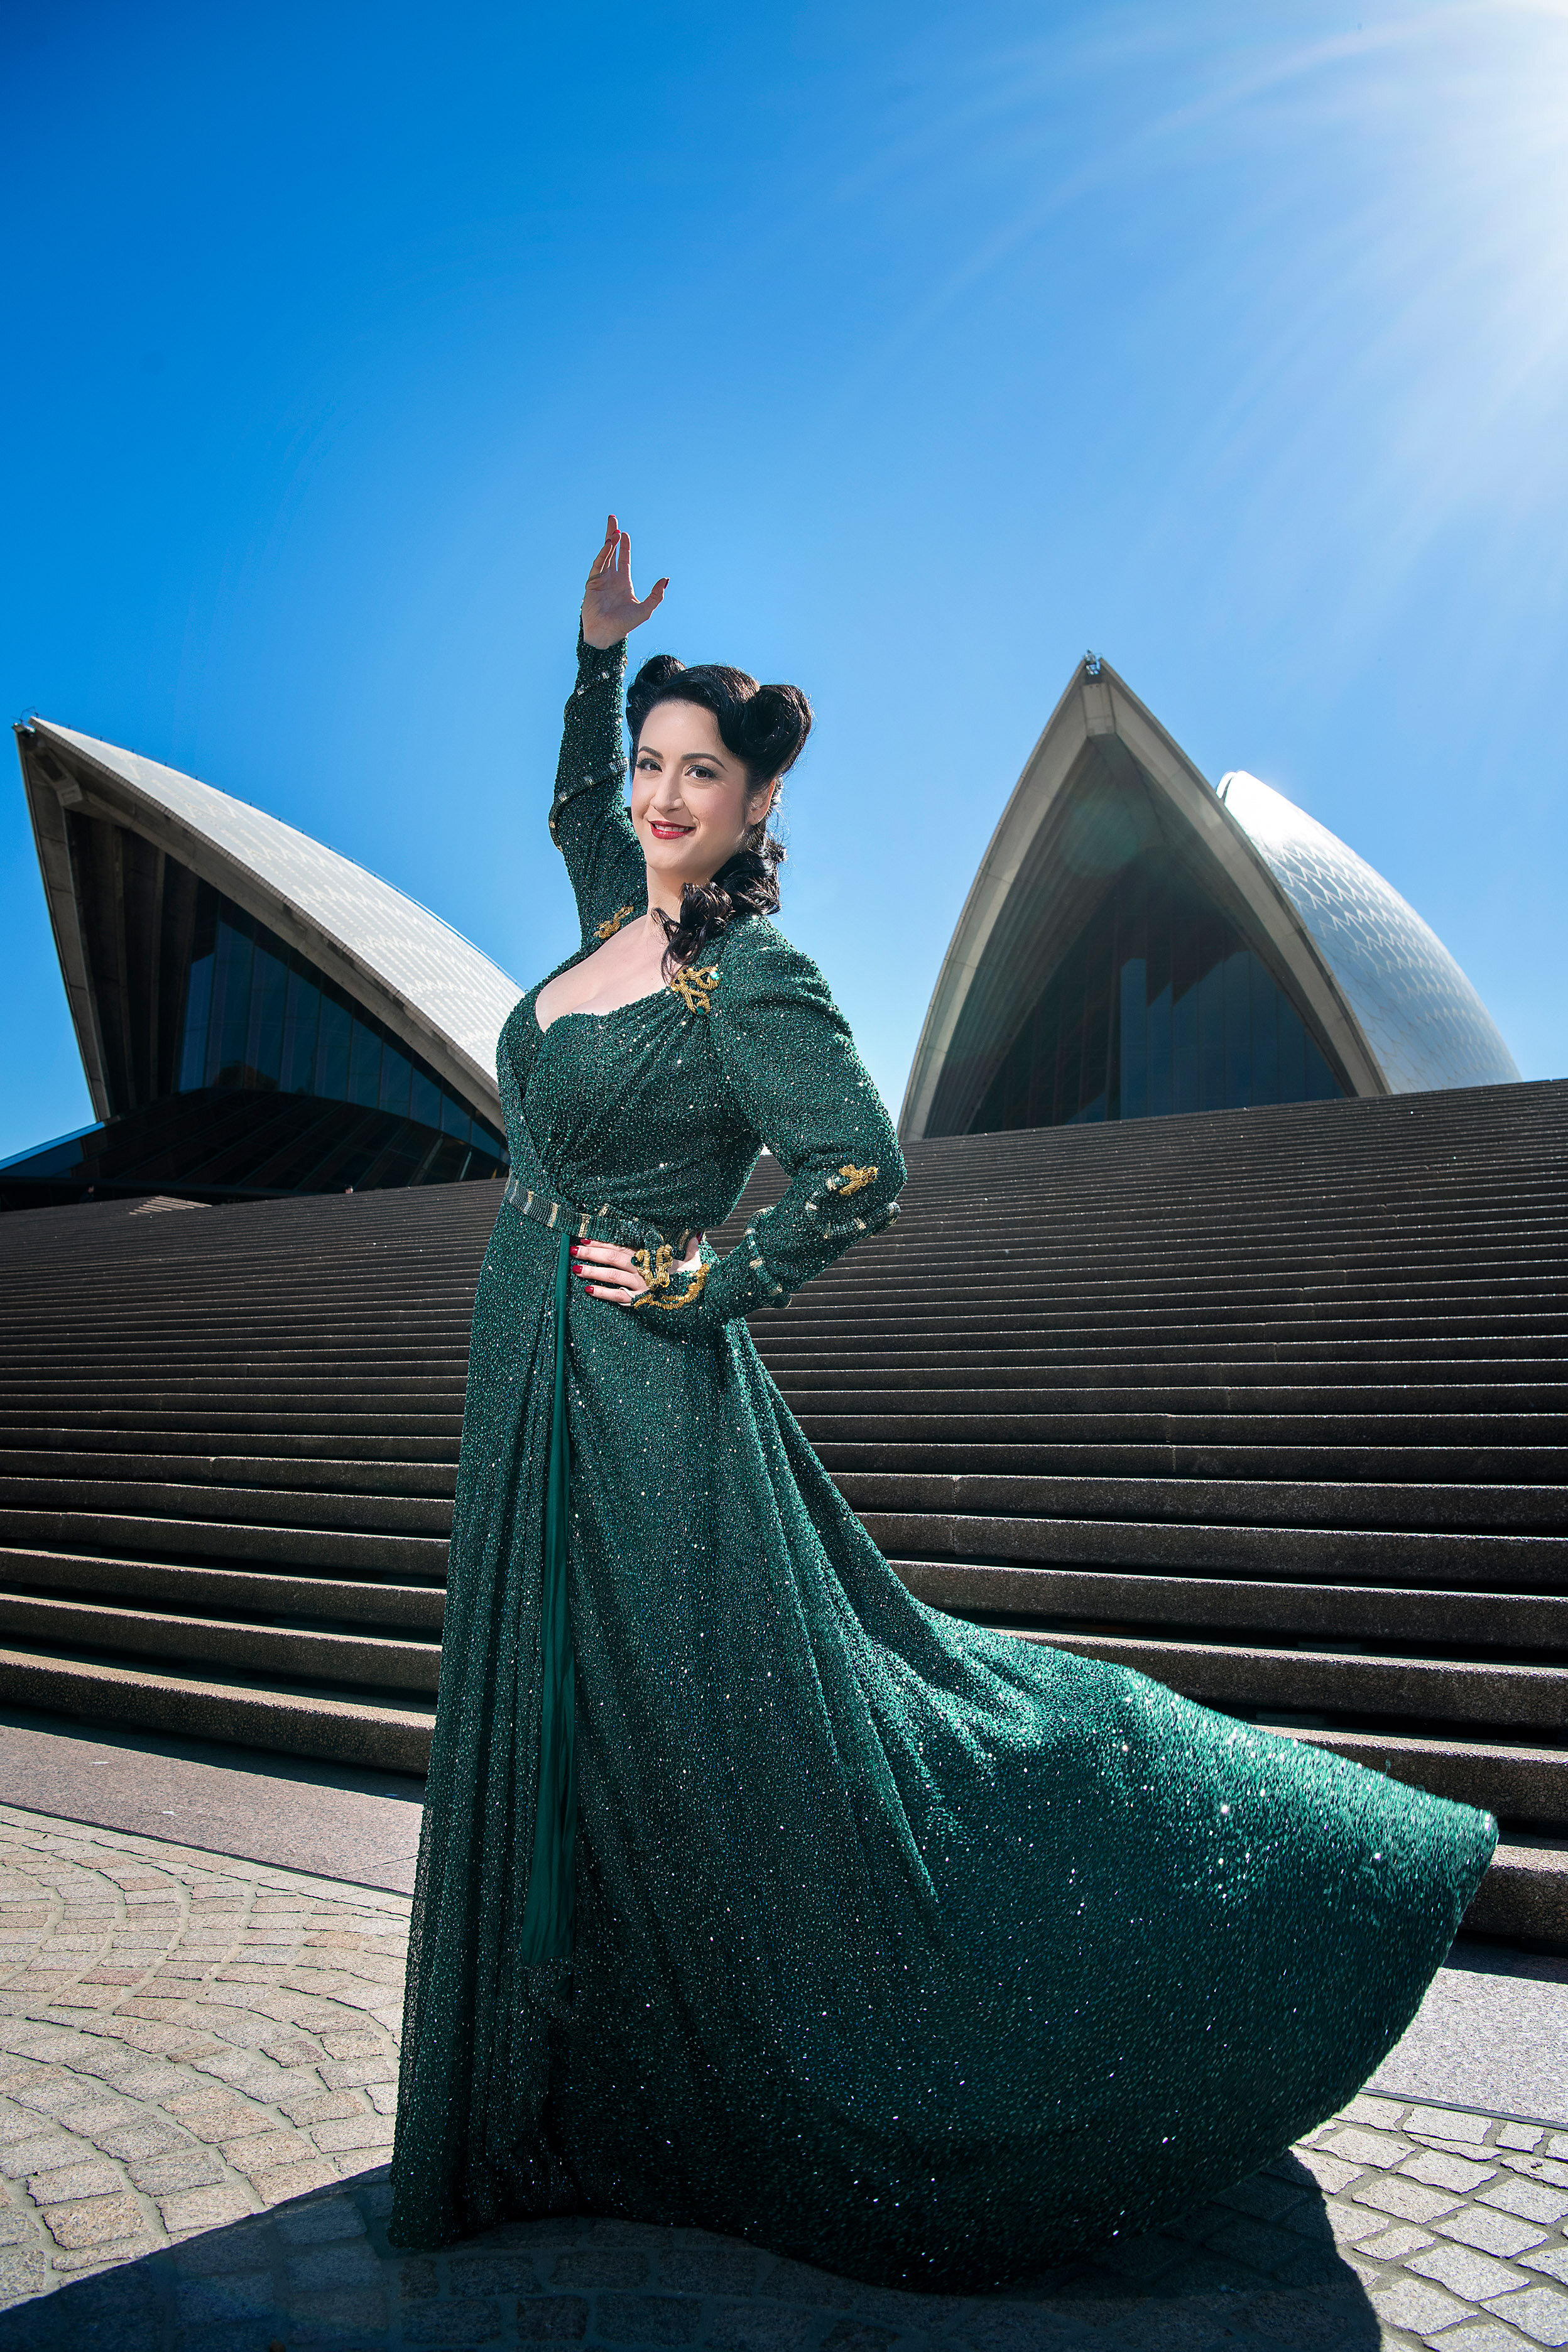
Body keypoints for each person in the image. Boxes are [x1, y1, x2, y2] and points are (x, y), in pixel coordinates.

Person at [388, 516, 1494, 2290]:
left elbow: (859, 1171)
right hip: (526, 1359)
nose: (666, 798)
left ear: (757, 809)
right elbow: (575, 809)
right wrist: (597, 658)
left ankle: (1215, 1902)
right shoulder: (615, 910)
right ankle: (577, 2090)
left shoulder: (746, 979)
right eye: (655, 769)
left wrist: (700, 1281)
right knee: (577, 1726)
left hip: (654, 1401)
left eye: (703, 777)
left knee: (755, 1746)